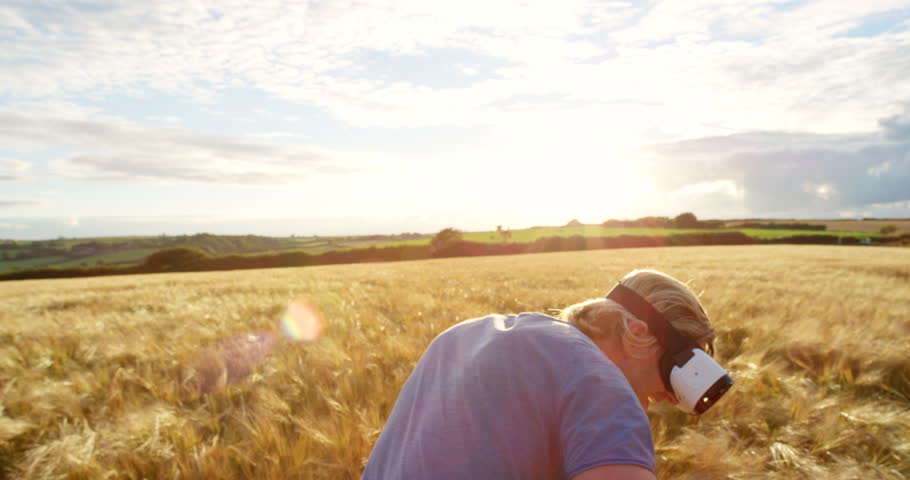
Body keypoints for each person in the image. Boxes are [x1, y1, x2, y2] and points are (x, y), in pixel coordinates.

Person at [362, 269, 722, 480]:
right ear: (639, 333)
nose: (674, 398)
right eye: (680, 366)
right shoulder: (604, 389)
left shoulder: (462, 336)